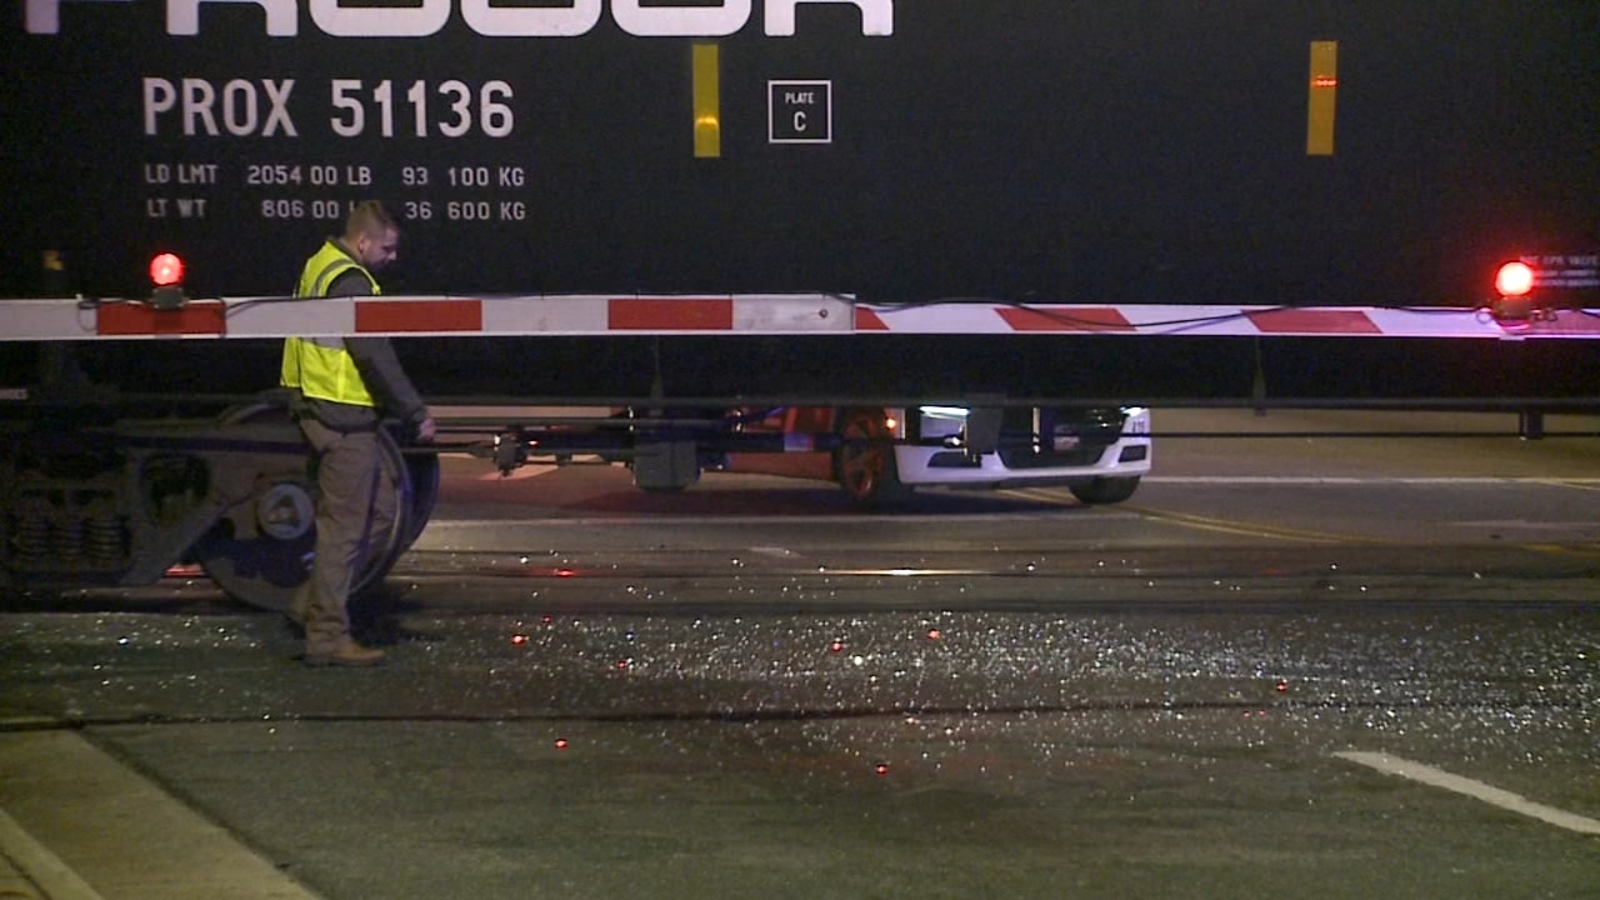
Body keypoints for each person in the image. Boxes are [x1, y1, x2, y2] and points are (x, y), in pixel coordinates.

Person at [282, 200, 436, 667]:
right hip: (341, 416)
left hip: (326, 410)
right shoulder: (351, 281)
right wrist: (414, 411)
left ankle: (312, 602)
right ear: (364, 241)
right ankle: (327, 635)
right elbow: (374, 354)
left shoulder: (319, 266)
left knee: (383, 516)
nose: (393, 257)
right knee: (345, 531)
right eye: (387, 248)